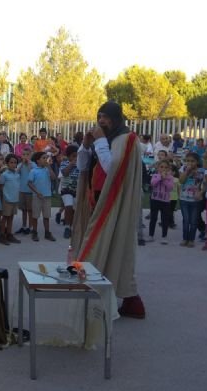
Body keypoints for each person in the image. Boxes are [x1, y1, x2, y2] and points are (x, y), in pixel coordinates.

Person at [73, 101, 145, 319]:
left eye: (105, 117)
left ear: (115, 118)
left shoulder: (126, 139)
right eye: (99, 116)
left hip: (113, 203)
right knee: (106, 246)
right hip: (95, 199)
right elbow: (83, 167)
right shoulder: (107, 139)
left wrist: (101, 141)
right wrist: (86, 146)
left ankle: (99, 299)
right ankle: (129, 299)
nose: (101, 121)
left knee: (106, 246)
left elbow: (111, 167)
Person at [27, 151, 55, 242]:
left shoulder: (47, 170)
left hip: (47, 196)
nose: (46, 160)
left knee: (46, 216)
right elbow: (29, 183)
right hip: (37, 196)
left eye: (46, 158)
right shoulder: (33, 171)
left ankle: (47, 233)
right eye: (43, 158)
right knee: (35, 216)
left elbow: (53, 177)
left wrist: (49, 166)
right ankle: (34, 232)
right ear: (37, 161)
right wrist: (37, 192)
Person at [178, 152, 205, 247]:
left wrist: (201, 193)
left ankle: (191, 239)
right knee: (186, 219)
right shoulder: (183, 169)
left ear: (197, 162)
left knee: (194, 220)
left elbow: (205, 185)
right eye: (187, 161)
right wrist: (187, 172)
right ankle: (185, 238)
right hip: (184, 198)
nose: (190, 163)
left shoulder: (202, 171)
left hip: (196, 200)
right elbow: (181, 181)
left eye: (192, 161)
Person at [146, 159, 174, 244]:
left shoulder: (170, 178)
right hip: (155, 200)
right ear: (158, 168)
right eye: (161, 167)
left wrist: (165, 179)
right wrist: (160, 177)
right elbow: (153, 183)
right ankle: (151, 235)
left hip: (165, 201)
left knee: (164, 219)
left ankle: (164, 237)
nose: (163, 169)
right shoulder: (155, 175)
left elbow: (170, 188)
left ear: (169, 168)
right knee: (153, 218)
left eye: (166, 167)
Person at [56, 145, 80, 239]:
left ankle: (70, 226)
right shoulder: (64, 163)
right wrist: (71, 164)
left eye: (77, 156)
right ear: (69, 156)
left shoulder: (81, 164)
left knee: (73, 210)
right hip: (66, 190)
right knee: (68, 207)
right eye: (73, 156)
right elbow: (65, 173)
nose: (76, 158)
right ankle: (67, 228)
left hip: (77, 190)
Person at [0, 154, 21, 245]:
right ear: (7, 163)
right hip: (7, 199)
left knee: (11, 217)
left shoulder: (17, 175)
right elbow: (1, 186)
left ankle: (9, 234)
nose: (13, 164)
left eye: (15, 163)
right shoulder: (4, 175)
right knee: (5, 218)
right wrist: (4, 196)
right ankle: (2, 235)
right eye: (11, 162)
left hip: (15, 199)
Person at [17, 147, 34, 235]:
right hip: (22, 190)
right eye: (24, 154)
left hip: (30, 191)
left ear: (31, 155)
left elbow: (32, 172)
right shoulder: (20, 165)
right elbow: (16, 173)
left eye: (27, 155)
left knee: (30, 210)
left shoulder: (33, 164)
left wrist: (28, 164)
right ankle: (23, 226)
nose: (25, 156)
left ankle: (30, 227)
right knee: (23, 210)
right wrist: (22, 164)